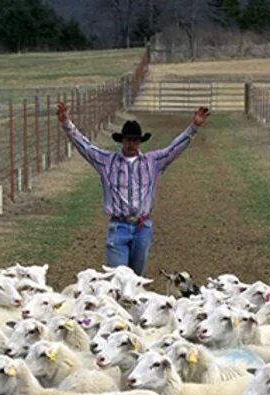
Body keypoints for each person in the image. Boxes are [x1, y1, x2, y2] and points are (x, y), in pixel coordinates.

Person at [57, 101, 209, 276]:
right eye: (128, 140)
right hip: (118, 226)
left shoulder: (153, 162)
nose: (131, 144)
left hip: (142, 227)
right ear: (122, 140)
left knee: (137, 280)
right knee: (117, 279)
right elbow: (85, 146)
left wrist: (193, 127)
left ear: (140, 141)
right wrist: (67, 124)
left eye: (135, 140)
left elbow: (173, 149)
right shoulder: (106, 161)